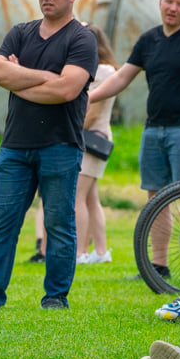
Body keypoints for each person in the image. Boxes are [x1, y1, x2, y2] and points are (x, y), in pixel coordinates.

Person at [0, 0, 97, 311]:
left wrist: (20, 79)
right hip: (15, 147)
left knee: (58, 224)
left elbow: (68, 89)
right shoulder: (20, 32)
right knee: (2, 224)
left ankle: (55, 297)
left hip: (61, 146)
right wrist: (45, 78)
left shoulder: (82, 39)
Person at [89, 0, 180, 280]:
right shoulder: (149, 40)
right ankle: (158, 267)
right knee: (156, 198)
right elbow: (122, 78)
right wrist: (89, 97)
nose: (173, 8)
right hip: (153, 129)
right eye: (169, 1)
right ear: (160, 2)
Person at [75, 24, 117, 264]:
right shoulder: (108, 70)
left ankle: (81, 252)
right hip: (97, 137)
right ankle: (100, 252)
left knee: (77, 198)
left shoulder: (102, 71)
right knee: (90, 198)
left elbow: (91, 112)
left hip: (92, 138)